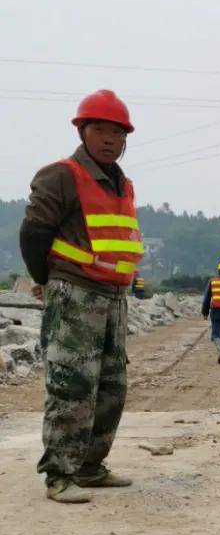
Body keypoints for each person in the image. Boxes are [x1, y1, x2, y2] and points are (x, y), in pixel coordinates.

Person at [19, 89, 143, 504]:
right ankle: (60, 474)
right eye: (101, 130)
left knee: (112, 385)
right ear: (83, 131)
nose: (110, 139)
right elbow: (34, 233)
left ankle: (90, 466)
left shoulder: (121, 184)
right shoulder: (61, 175)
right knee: (72, 385)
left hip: (112, 297)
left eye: (117, 133)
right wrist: (47, 278)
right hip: (75, 293)